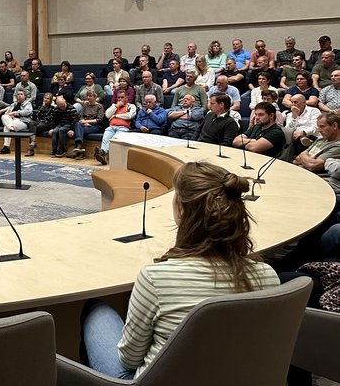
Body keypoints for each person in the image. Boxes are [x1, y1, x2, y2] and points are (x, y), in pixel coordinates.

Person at [80, 161, 279, 379]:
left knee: (95, 310)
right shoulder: (267, 275)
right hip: (238, 378)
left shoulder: (156, 279)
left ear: (181, 209)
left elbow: (129, 359)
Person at [95, 90, 136, 165]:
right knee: (105, 139)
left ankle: (102, 152)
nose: (120, 99)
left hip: (123, 128)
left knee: (113, 139)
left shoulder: (131, 106)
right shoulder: (114, 106)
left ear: (126, 98)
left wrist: (116, 115)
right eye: (118, 97)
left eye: (122, 97)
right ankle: (102, 154)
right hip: (111, 127)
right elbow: (107, 115)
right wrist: (116, 107)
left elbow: (129, 116)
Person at [0, 89, 34, 155]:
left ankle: (6, 147)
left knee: (7, 127)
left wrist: (16, 113)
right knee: (4, 117)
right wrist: (10, 115)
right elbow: (7, 113)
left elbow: (28, 112)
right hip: (12, 121)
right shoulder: (14, 104)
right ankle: (11, 129)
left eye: (21, 94)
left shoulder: (28, 103)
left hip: (22, 122)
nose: (19, 96)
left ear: (25, 96)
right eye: (18, 94)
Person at [75, 89, 105, 159]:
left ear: (95, 97)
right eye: (87, 96)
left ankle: (79, 149)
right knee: (77, 124)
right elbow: (81, 116)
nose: (88, 97)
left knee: (79, 131)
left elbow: (99, 120)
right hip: (85, 125)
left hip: (95, 126)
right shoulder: (85, 105)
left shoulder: (99, 106)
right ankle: (80, 148)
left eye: (90, 96)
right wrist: (83, 121)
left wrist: (87, 122)